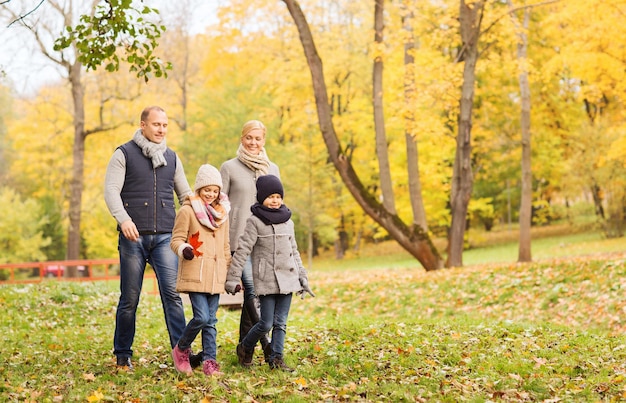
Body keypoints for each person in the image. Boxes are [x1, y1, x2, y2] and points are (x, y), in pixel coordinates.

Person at [104, 106, 190, 371]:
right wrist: (124, 219)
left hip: (165, 237)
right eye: (156, 124)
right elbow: (110, 191)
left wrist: (209, 210)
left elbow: (185, 195)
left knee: (173, 297)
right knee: (129, 299)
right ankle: (122, 355)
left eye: (165, 125)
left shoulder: (172, 158)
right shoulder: (124, 154)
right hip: (134, 238)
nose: (161, 129)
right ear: (143, 125)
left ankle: (181, 353)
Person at [225, 175, 314, 371]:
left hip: (288, 279)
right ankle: (245, 346)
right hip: (266, 280)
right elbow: (242, 251)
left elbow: (294, 251)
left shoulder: (288, 222)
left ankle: (276, 358)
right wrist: (232, 278)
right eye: (270, 196)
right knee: (265, 323)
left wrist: (302, 275)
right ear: (261, 197)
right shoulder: (255, 222)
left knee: (281, 323)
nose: (275, 200)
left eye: (278, 196)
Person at [220, 120, 280, 362]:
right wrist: (224, 246)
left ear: (263, 140)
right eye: (249, 138)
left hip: (266, 241)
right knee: (252, 293)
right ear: (242, 138)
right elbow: (219, 208)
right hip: (239, 241)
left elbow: (278, 204)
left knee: (256, 298)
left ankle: (245, 349)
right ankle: (267, 347)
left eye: (258, 139)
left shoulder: (272, 168)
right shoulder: (229, 167)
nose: (253, 143)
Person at [170, 164, 231, 376]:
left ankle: (209, 362)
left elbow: (225, 247)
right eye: (207, 190)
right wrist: (184, 248)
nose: (210, 194)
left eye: (215, 191)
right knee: (202, 317)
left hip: (216, 275)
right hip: (196, 272)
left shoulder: (222, 214)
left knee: (211, 321)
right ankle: (181, 349)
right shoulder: (187, 211)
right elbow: (176, 239)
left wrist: (231, 274)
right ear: (199, 189)